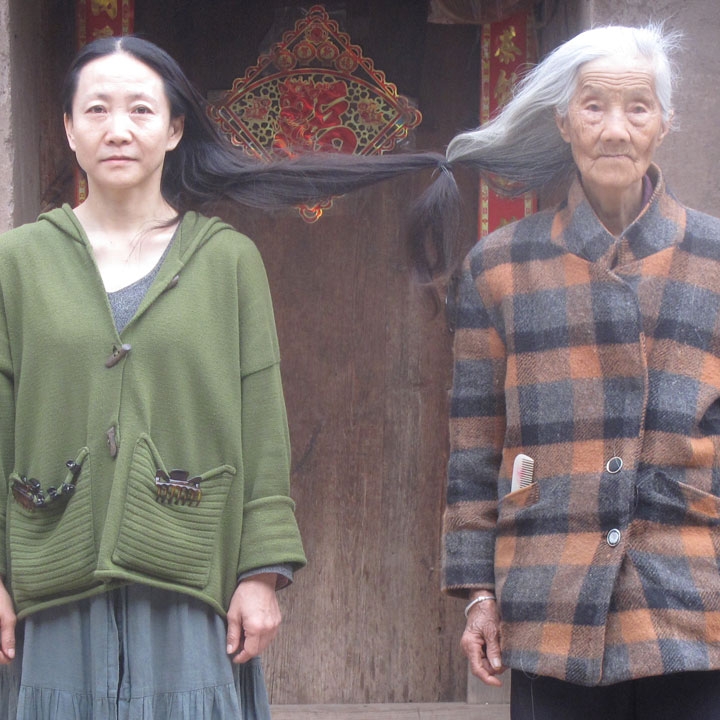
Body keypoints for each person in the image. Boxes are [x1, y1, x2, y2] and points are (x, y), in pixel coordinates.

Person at [0, 35, 313, 719]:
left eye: (141, 111)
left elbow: (262, 423)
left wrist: (261, 573)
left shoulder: (228, 261)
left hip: (189, 578)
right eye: (97, 110)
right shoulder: (16, 263)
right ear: (68, 129)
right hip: (50, 579)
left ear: (174, 129)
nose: (118, 129)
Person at [433, 23, 720, 720]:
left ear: (665, 123)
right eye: (594, 107)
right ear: (564, 121)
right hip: (551, 593)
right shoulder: (499, 265)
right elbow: (475, 446)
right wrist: (477, 592)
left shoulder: (713, 257)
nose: (615, 130)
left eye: (637, 109)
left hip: (691, 595)